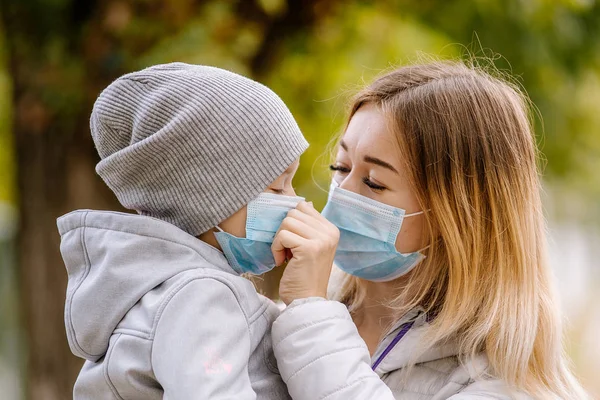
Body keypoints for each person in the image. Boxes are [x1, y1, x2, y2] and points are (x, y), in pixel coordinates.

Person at [271, 61, 590, 399]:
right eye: (341, 167)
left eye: (374, 183)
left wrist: (309, 313)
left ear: (458, 216)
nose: (343, 192)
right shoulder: (300, 309)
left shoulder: (502, 386)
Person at [56, 62, 315, 399]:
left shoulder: (157, 287)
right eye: (279, 188)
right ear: (208, 198)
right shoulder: (202, 294)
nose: (295, 203)